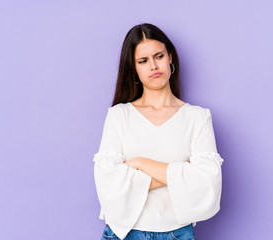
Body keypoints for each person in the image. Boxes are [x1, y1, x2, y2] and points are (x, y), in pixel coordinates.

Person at [93, 23, 224, 240]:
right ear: (133, 68)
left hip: (177, 233)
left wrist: (139, 164)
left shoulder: (198, 117)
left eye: (159, 56)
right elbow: (108, 185)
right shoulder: (119, 115)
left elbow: (207, 184)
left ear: (170, 57)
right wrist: (183, 174)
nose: (153, 66)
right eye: (143, 61)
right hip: (125, 233)